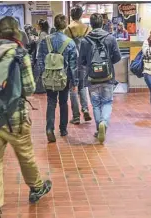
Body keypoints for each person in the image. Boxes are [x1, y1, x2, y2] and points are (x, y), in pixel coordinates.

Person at [0, 16, 52, 218]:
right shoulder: (20, 54)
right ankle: (36, 187)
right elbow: (28, 87)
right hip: (15, 117)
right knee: (25, 154)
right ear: (17, 32)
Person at [79, 13, 121, 144]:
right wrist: (107, 62)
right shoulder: (110, 38)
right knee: (107, 102)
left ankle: (98, 128)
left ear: (90, 24)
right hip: (108, 77)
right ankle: (104, 122)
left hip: (92, 78)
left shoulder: (85, 40)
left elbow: (82, 60)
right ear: (102, 23)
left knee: (96, 104)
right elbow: (117, 57)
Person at [37, 14, 78, 143]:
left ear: (54, 24)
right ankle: (63, 129)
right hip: (63, 77)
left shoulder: (45, 41)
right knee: (63, 102)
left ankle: (49, 128)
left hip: (49, 77)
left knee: (51, 102)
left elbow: (39, 59)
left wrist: (43, 73)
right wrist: (74, 81)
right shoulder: (69, 42)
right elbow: (73, 65)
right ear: (65, 25)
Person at [64, 5, 92, 125]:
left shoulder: (68, 29)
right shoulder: (87, 28)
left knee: (73, 88)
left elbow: (65, 47)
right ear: (81, 15)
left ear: (71, 15)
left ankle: (76, 117)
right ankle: (85, 109)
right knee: (83, 87)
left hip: (72, 62)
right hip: (84, 61)